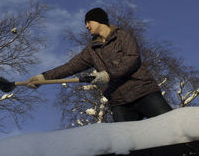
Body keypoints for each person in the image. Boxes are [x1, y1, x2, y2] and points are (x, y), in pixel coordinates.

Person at [28, 7, 172, 122]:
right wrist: (43, 77)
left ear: (98, 20)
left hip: (143, 92)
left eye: (88, 22)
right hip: (119, 102)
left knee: (172, 129)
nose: (86, 26)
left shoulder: (122, 35)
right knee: (126, 146)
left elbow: (132, 59)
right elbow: (70, 66)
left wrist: (108, 74)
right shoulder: (92, 50)